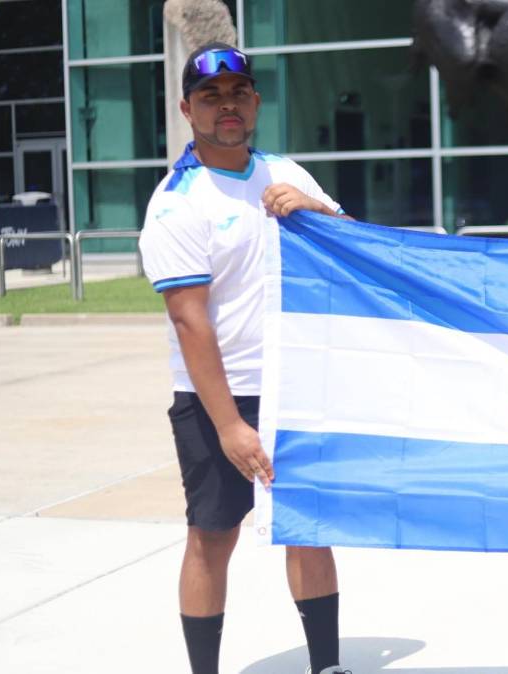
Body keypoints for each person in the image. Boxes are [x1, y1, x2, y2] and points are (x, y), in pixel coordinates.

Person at [139, 42, 351, 674]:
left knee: (307, 530)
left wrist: (312, 208)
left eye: (237, 93)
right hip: (216, 398)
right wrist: (230, 424)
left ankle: (327, 666)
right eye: (211, 97)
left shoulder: (287, 171)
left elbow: (350, 251)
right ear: (187, 109)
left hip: (298, 385)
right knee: (212, 537)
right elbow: (189, 320)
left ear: (254, 101)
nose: (226, 106)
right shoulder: (178, 200)